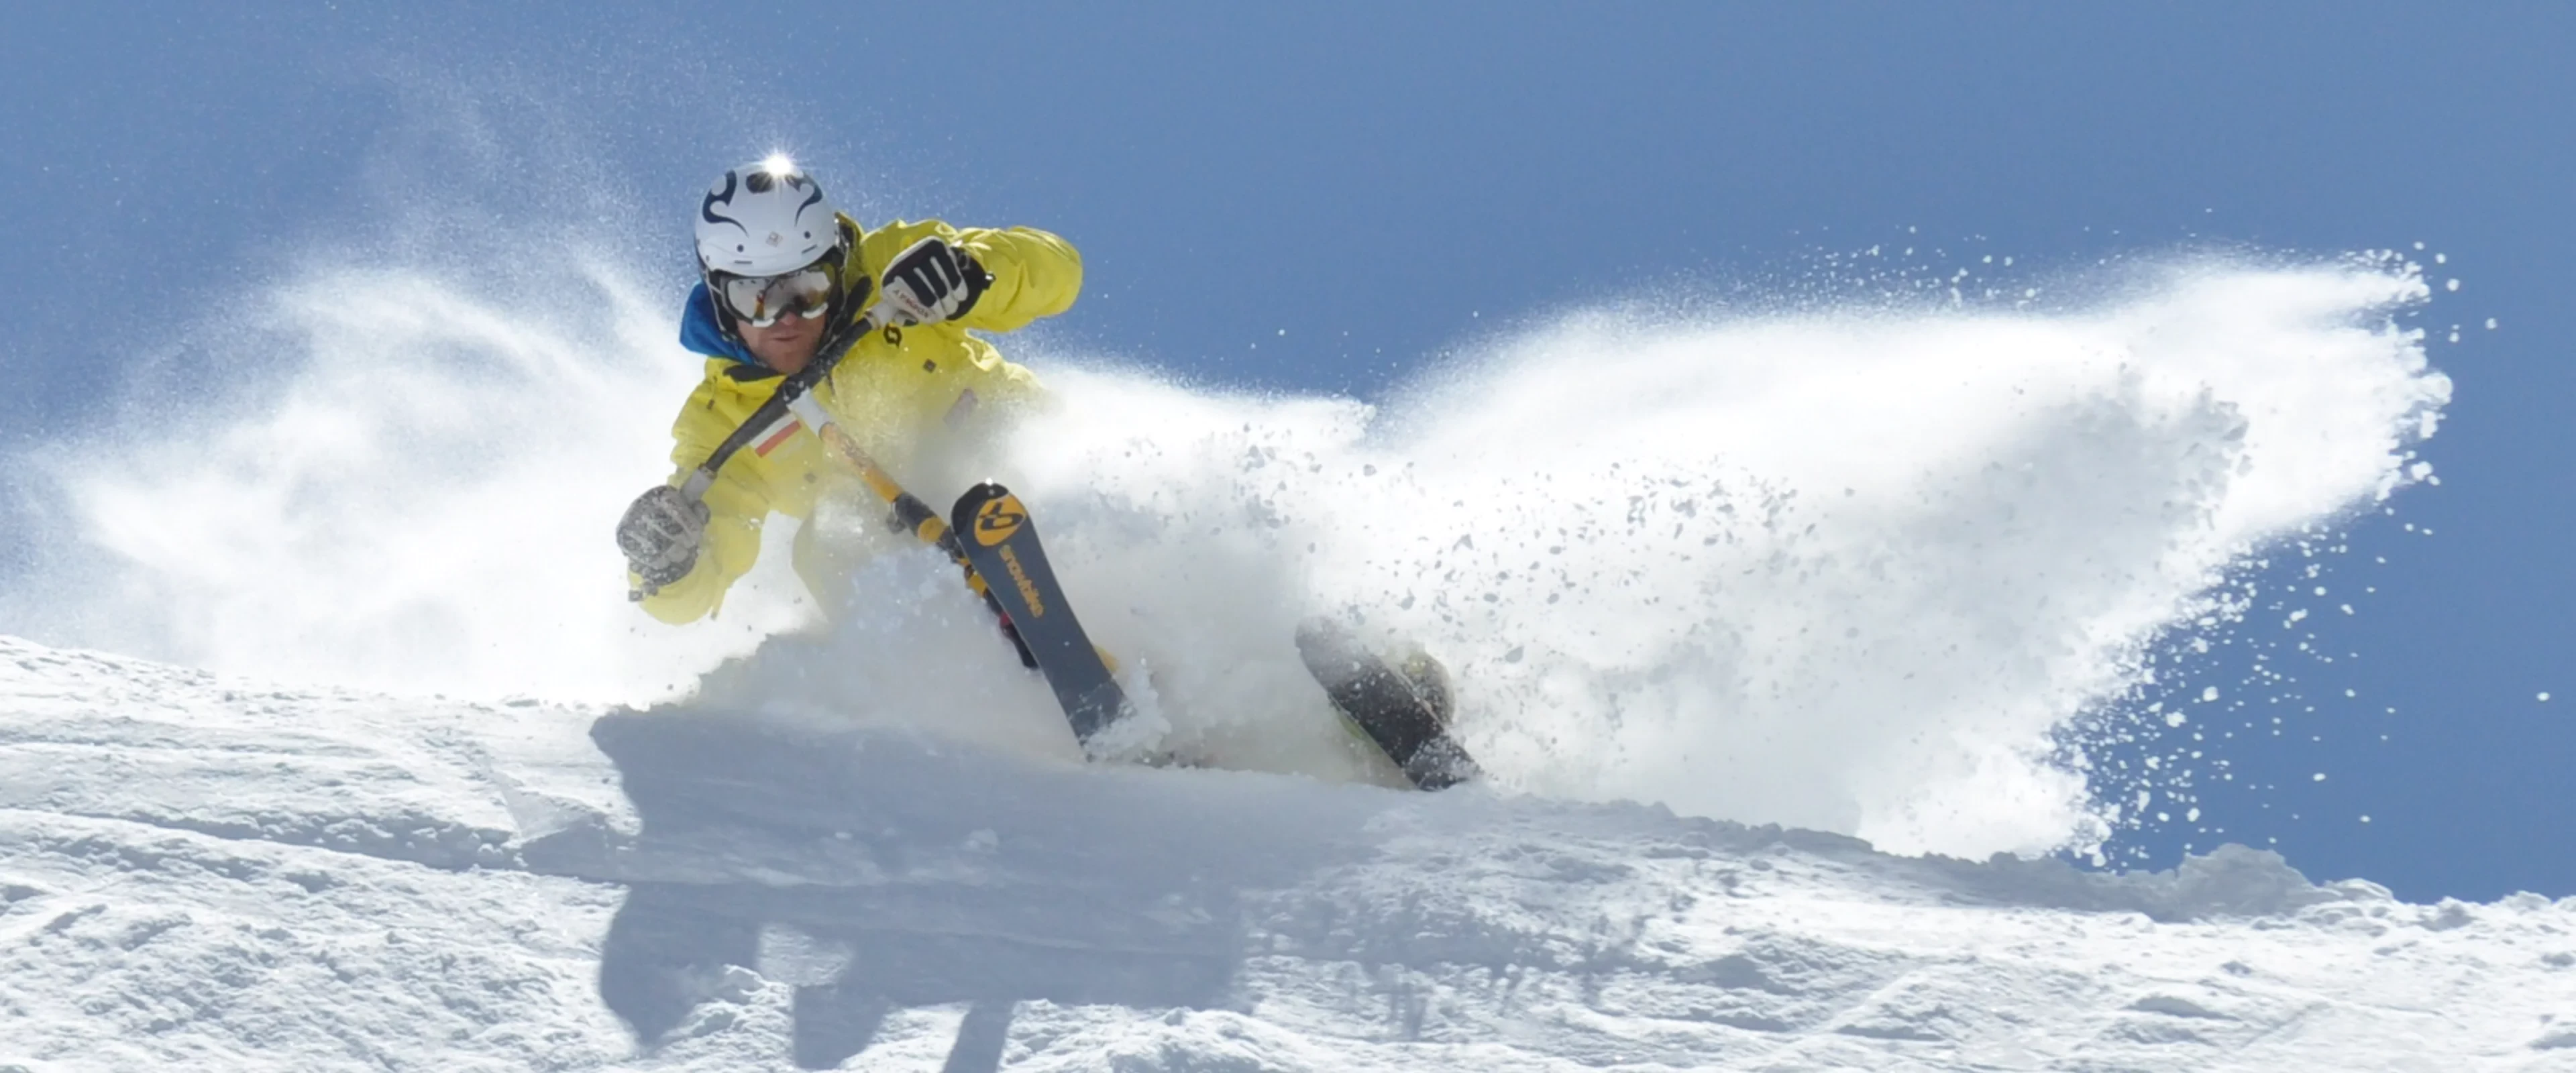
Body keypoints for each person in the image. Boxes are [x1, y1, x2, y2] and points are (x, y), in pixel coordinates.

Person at [615, 157, 1081, 624]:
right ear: (719, 298)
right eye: (754, 298)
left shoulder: (891, 273)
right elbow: (696, 586)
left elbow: (1061, 272)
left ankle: (1093, 566)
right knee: (826, 539)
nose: (786, 318)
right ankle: (937, 660)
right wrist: (663, 566)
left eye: (808, 289)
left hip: (1010, 450)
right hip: (910, 547)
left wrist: (973, 271)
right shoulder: (722, 424)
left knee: (989, 451)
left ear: (836, 274)